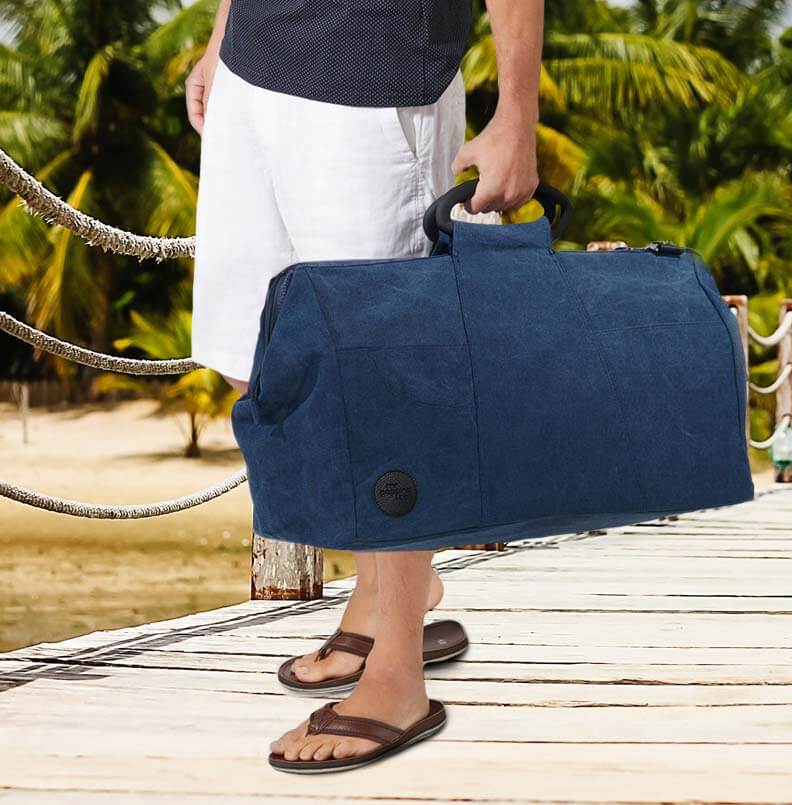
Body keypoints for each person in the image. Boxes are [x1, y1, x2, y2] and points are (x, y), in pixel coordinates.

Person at [187, 0, 544, 773]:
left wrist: (517, 111)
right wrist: (224, 35)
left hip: (379, 89)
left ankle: (399, 678)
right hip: (257, 68)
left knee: (383, 381)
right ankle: (390, 595)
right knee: (264, 356)